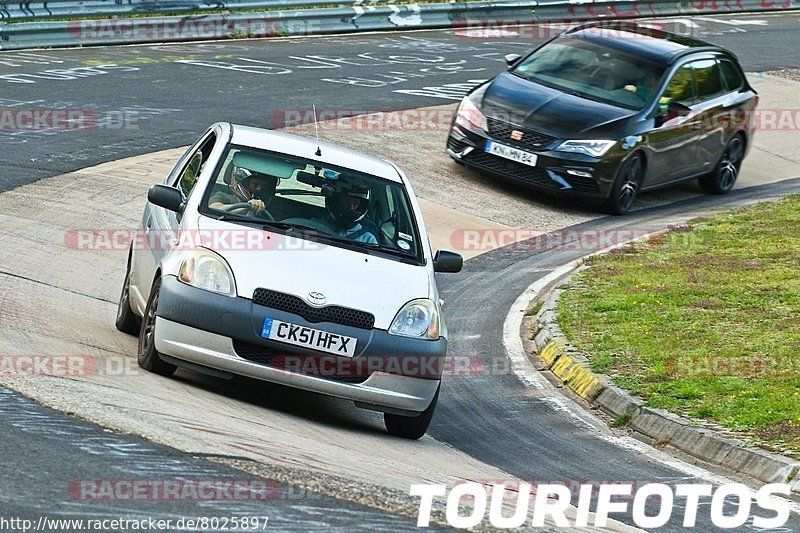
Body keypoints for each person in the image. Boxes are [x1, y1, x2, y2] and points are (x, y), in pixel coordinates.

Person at [209, 165, 277, 218]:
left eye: (264, 187)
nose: (259, 189)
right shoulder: (223, 197)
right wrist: (247, 207)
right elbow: (214, 208)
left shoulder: (272, 207)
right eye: (255, 185)